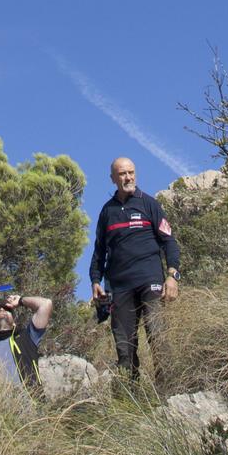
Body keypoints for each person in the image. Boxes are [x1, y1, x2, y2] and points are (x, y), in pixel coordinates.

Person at [89, 158, 180, 381]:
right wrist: (95, 281)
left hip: (151, 281)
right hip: (119, 287)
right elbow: (99, 251)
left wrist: (173, 276)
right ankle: (130, 399)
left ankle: (168, 393)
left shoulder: (149, 204)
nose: (128, 177)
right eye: (122, 174)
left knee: (158, 335)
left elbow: (169, 241)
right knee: (124, 347)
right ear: (113, 178)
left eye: (131, 172)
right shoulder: (106, 212)